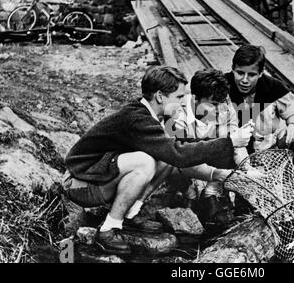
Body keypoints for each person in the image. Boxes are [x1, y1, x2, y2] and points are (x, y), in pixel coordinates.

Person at [63, 66, 254, 255]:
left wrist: (219, 174)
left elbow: (177, 160)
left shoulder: (154, 117)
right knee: (144, 161)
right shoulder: (138, 119)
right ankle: (108, 229)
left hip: (97, 176)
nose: (183, 102)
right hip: (79, 183)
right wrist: (229, 142)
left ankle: (130, 214)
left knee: (164, 159)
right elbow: (179, 154)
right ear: (160, 96)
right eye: (179, 97)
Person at [174, 68, 250, 227]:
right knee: (172, 167)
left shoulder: (224, 104)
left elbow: (235, 142)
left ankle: (212, 194)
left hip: (214, 164)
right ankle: (191, 195)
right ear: (195, 99)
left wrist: (247, 169)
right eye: (213, 104)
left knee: (234, 149)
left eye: (221, 103)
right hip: (187, 162)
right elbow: (181, 155)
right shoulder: (178, 113)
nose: (218, 109)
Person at [225, 44, 294, 152]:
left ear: (261, 72)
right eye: (240, 73)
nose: (245, 80)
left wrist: (293, 125)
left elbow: (292, 114)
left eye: (251, 75)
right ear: (232, 68)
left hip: (265, 154)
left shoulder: (275, 88)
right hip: (228, 153)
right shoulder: (221, 87)